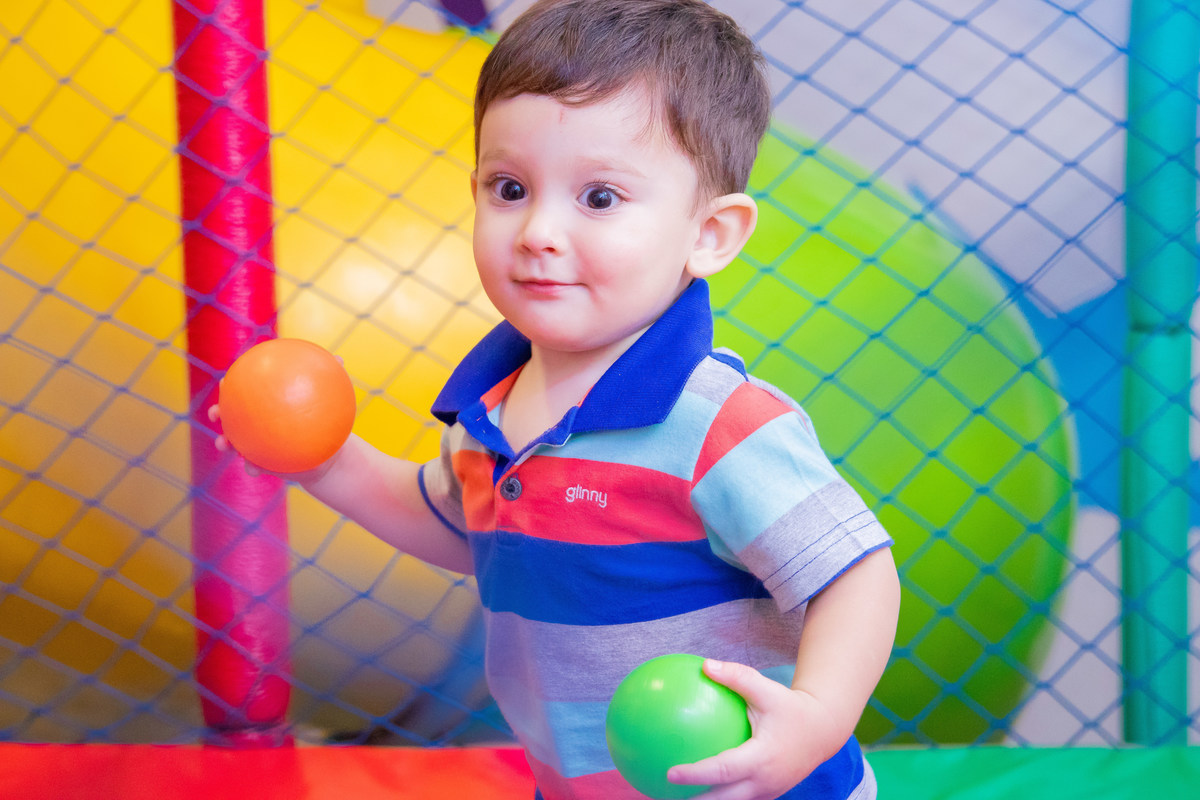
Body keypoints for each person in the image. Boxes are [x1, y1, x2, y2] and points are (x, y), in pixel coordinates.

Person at [215, 1, 900, 797]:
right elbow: (457, 525)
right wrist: (323, 459)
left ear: (709, 235)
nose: (538, 230)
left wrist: (815, 718)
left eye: (599, 198)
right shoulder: (491, 413)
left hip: (753, 785)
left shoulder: (717, 424)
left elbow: (855, 571)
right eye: (509, 188)